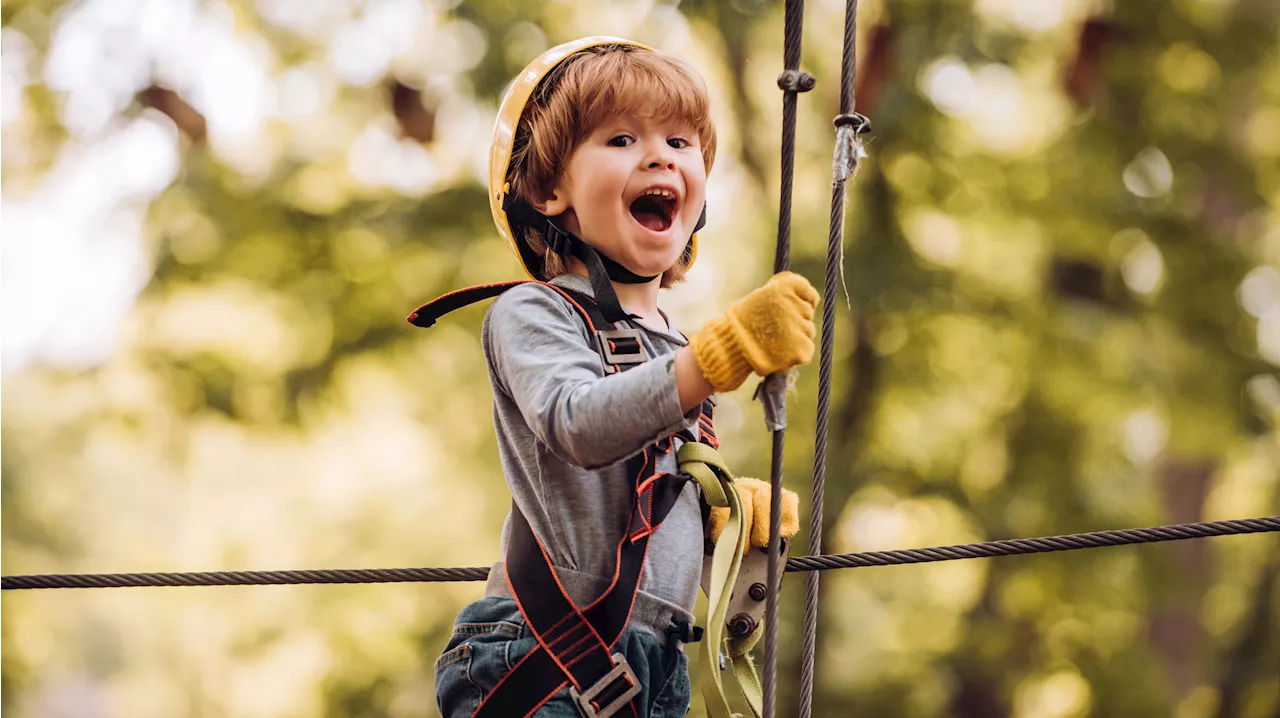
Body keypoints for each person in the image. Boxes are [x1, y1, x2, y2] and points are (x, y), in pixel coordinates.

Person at [426, 36, 817, 718]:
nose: (660, 154)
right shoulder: (534, 311)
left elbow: (629, 499)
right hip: (540, 654)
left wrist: (714, 515)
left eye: (679, 140)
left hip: (651, 665)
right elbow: (578, 422)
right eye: (622, 139)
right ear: (549, 190)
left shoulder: (672, 348)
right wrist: (715, 360)